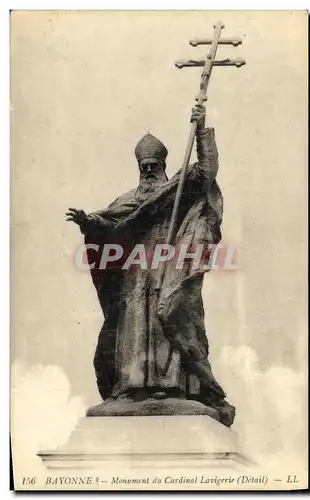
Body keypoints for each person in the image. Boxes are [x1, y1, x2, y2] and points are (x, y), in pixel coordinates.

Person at [66, 105, 235, 426]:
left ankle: (169, 385)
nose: (148, 171)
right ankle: (132, 386)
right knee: (133, 323)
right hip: (136, 273)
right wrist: (88, 221)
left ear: (163, 165)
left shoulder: (179, 188)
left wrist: (201, 130)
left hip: (170, 269)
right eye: (144, 166)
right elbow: (111, 224)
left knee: (168, 319)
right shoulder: (130, 198)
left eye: (153, 165)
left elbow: (208, 169)